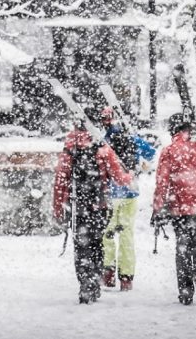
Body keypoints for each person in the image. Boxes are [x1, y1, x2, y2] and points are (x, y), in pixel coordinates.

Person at [52, 118, 133, 304]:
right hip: (99, 207)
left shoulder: (69, 150)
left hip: (78, 207)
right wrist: (131, 176)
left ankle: (84, 284)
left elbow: (60, 182)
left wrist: (58, 208)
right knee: (97, 244)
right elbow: (119, 178)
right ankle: (94, 282)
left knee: (81, 248)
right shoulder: (102, 148)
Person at [150, 113, 196, 305]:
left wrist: (157, 208)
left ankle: (185, 290)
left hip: (180, 208)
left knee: (183, 249)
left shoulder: (169, 151)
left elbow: (162, 183)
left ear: (173, 130)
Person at [99, 106, 157, 291]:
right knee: (127, 236)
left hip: (109, 195)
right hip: (130, 192)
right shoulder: (133, 139)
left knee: (106, 234)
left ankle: (108, 271)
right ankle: (126, 278)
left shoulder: (102, 140)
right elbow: (150, 153)